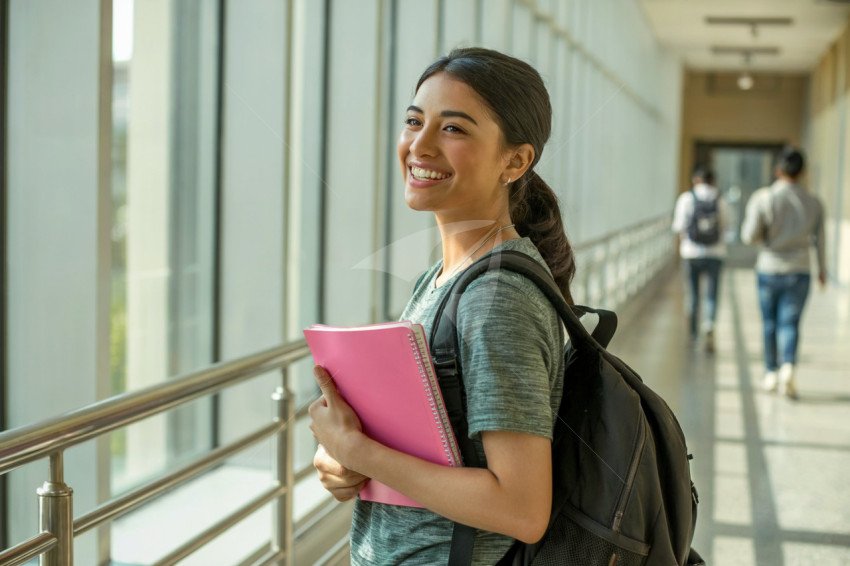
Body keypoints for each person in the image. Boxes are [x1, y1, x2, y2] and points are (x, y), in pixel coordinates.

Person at [308, 47, 574, 564]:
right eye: (414, 121)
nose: (420, 145)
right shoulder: (441, 279)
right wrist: (349, 463)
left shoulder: (496, 298)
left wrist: (358, 451)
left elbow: (521, 507)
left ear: (515, 161)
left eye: (453, 129)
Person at [741, 147, 827, 399]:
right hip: (800, 270)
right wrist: (822, 269)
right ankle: (788, 366)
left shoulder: (764, 198)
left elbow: (749, 236)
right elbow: (820, 240)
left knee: (769, 323)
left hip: (769, 268)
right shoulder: (814, 202)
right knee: (790, 323)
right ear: (803, 172)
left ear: (778, 170)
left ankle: (771, 372)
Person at [671, 165, 729, 352]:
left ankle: (693, 335)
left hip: (691, 254)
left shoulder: (687, 198)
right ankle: (709, 325)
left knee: (693, 294)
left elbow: (679, 227)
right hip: (715, 254)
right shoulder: (720, 199)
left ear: (695, 179)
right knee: (712, 294)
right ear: (712, 180)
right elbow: (727, 226)